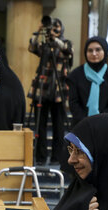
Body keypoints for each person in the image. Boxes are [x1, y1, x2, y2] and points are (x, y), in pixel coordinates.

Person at [27, 17, 73, 165]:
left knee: (58, 126)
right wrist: (39, 30)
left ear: (61, 29)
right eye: (51, 27)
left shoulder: (65, 43)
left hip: (58, 90)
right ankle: (40, 157)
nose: (54, 29)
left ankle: (56, 157)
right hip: (42, 89)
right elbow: (32, 47)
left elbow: (68, 51)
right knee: (39, 124)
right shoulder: (44, 44)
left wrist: (55, 39)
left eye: (57, 27)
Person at [67, 36, 108, 127]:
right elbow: (73, 102)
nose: (94, 54)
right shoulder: (76, 75)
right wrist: (85, 121)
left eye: (98, 50)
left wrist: (101, 120)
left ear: (105, 51)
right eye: (90, 50)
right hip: (80, 124)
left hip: (106, 124)